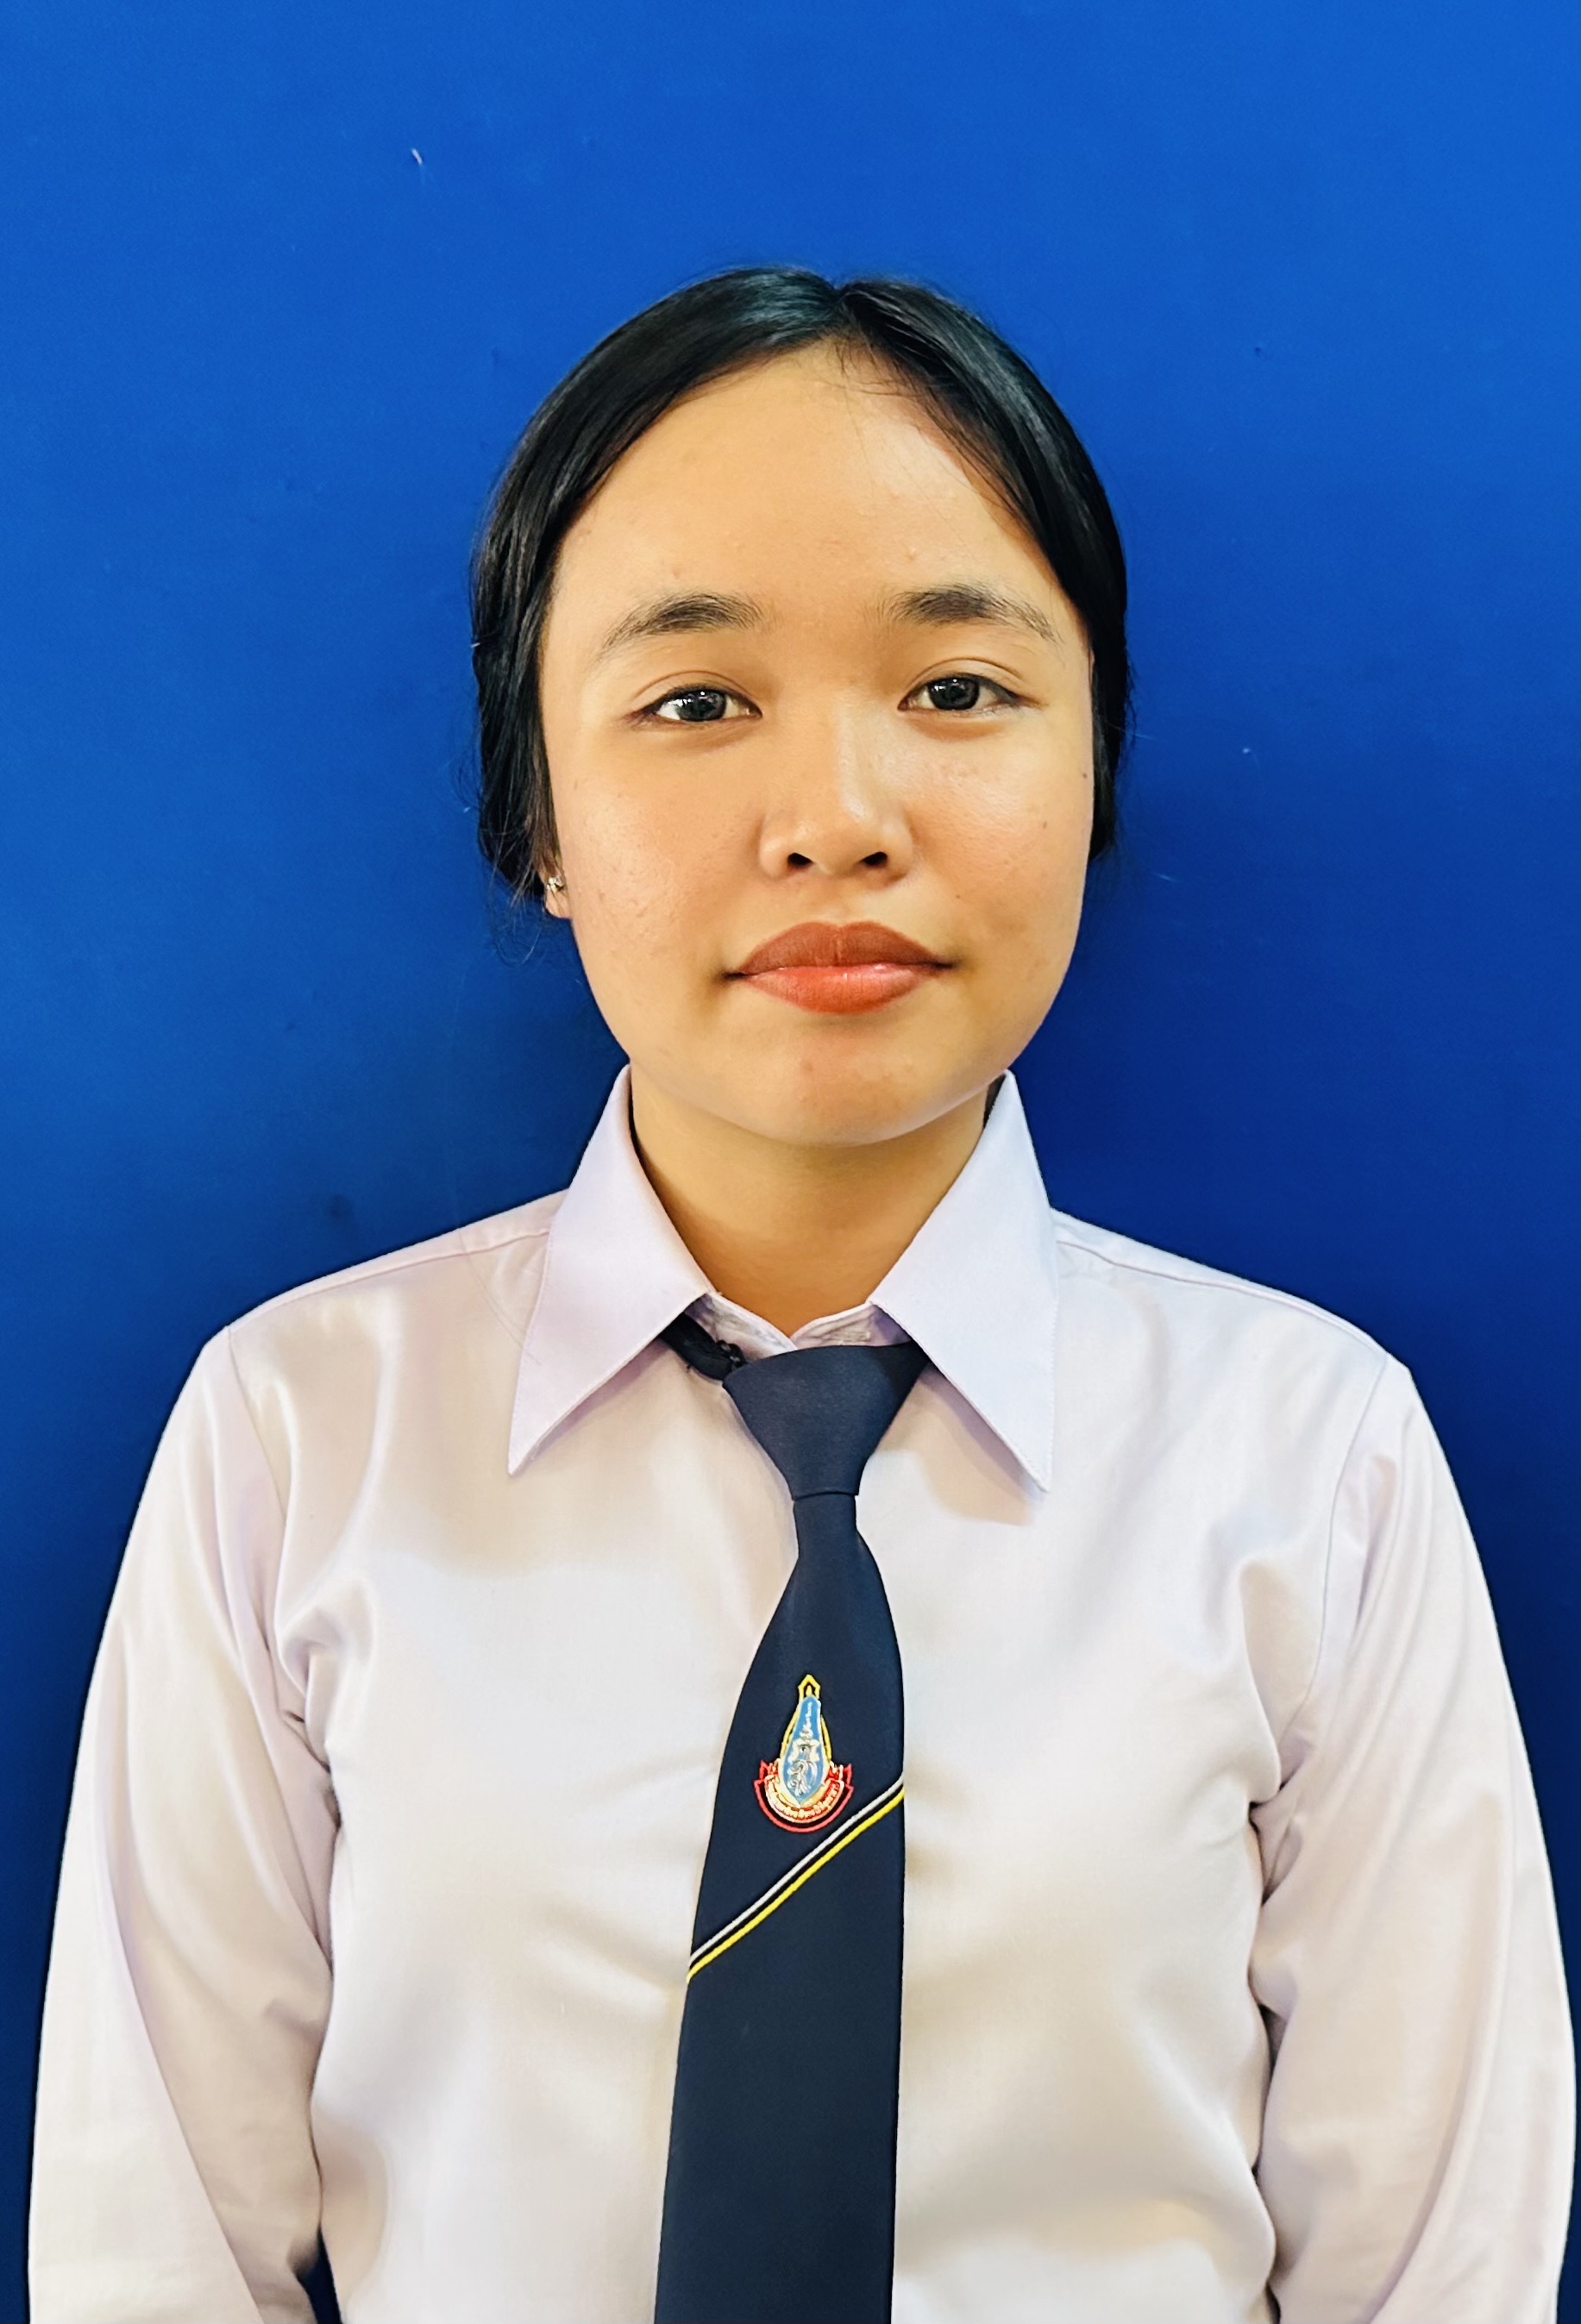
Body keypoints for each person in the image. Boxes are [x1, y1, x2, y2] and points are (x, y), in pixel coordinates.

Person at [28, 267, 1573, 2324]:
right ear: (537, 816)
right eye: (694, 700)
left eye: (957, 689)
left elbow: (1435, 2266)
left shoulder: (1310, 1454)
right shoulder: (299, 1434)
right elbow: (154, 2252)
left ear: (1090, 774)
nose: (836, 819)